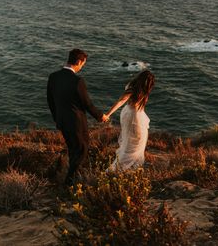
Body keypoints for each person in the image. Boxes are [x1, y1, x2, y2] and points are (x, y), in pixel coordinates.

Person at [47, 48, 108, 186]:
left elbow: (50, 101)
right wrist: (100, 116)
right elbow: (87, 104)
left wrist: (57, 119)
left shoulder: (53, 77)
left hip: (62, 121)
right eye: (83, 64)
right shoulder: (77, 81)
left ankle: (73, 178)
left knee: (73, 150)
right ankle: (69, 182)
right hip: (77, 123)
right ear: (79, 61)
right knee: (82, 150)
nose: (82, 67)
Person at [105, 70, 155, 171]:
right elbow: (120, 101)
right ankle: (120, 167)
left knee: (131, 140)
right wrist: (108, 114)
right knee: (135, 141)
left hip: (130, 113)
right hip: (134, 116)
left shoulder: (132, 86)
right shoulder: (135, 89)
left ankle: (127, 164)